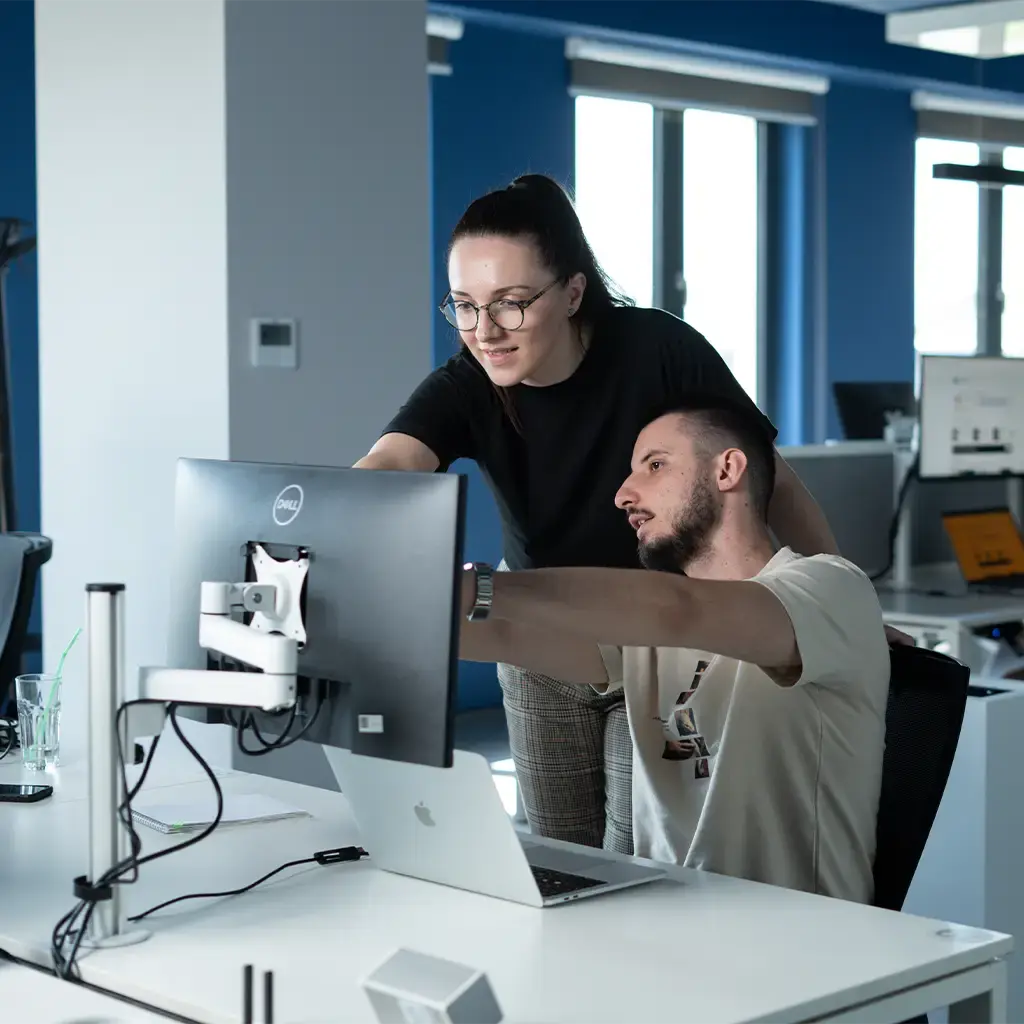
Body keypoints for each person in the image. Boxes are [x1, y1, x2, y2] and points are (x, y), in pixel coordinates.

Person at [355, 172, 845, 855]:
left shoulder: (657, 350)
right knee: (558, 859)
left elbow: (774, 483)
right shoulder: (468, 383)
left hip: (659, 638)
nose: (484, 331)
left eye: (511, 304)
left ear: (574, 291)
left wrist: (839, 606)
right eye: (463, 306)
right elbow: (392, 464)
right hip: (541, 644)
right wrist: (339, 526)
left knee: (630, 857)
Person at [458, 398, 891, 904]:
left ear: (727, 469)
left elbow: (680, 610)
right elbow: (506, 638)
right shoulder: (648, 630)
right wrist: (382, 606)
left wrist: (484, 587)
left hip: (788, 935)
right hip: (660, 919)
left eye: (655, 464)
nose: (623, 494)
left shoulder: (830, 587)